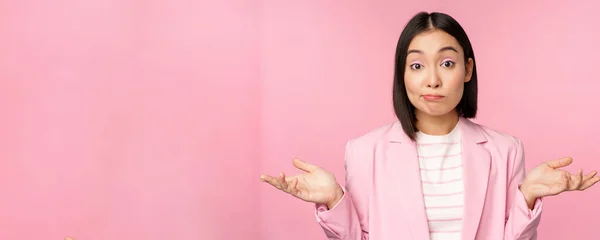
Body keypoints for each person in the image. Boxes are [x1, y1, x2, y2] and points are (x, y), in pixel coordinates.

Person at [260, 11, 600, 240]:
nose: (433, 80)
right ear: (402, 74)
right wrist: (335, 200)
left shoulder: (505, 149)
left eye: (447, 63)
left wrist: (528, 196)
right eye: (418, 65)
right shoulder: (365, 151)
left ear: (467, 71)